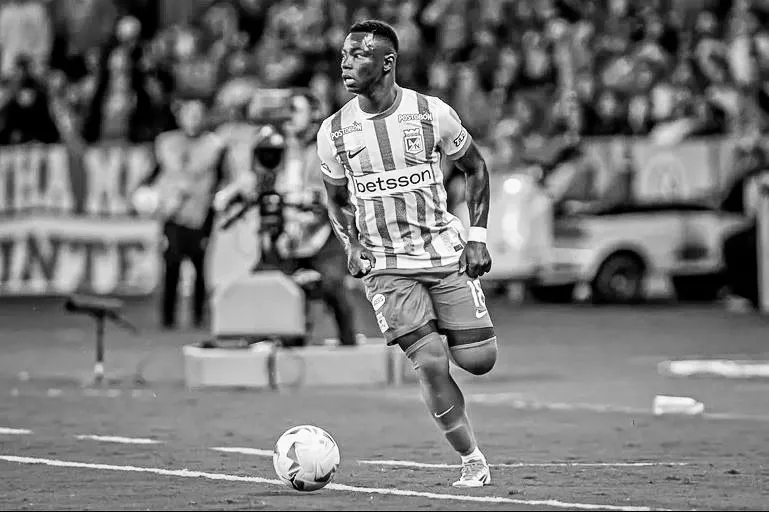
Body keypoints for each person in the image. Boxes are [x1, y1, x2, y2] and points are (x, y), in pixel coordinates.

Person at [317, 20, 496, 487]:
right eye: (344, 55)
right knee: (431, 361)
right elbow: (336, 200)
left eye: (358, 55)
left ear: (387, 63)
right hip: (386, 265)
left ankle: (451, 325)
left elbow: (476, 168)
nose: (345, 64)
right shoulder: (334, 132)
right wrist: (352, 244)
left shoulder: (431, 113)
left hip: (443, 250)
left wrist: (477, 237)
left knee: (480, 360)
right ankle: (472, 458)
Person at [137, 98, 226, 329]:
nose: (193, 120)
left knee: (199, 264)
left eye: (198, 115)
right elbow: (153, 174)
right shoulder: (166, 143)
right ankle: (168, 317)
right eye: (189, 114)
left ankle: (198, 316)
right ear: (180, 117)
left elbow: (222, 178)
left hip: (201, 214)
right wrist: (145, 193)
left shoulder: (214, 145)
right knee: (172, 263)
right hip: (172, 214)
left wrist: (218, 200)